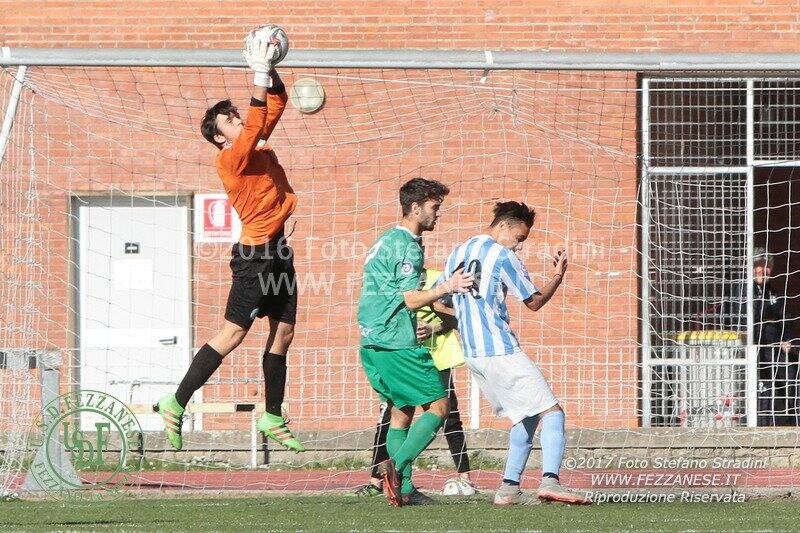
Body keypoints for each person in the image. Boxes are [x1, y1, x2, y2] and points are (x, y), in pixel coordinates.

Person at [154, 32, 304, 452]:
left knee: (284, 332)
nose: (239, 122)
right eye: (230, 121)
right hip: (255, 257)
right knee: (233, 333)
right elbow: (258, 121)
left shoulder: (251, 143)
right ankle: (176, 401)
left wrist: (270, 72)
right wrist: (257, 71)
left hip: (279, 252)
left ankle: (272, 414)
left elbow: (273, 108)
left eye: (237, 117)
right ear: (220, 137)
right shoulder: (230, 157)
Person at [438, 201, 587, 505]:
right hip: (500, 349)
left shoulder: (458, 252)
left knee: (527, 416)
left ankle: (508, 488)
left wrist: (463, 323)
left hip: (474, 354)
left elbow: (440, 303)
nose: (519, 246)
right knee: (553, 413)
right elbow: (533, 302)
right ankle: (551, 481)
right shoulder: (503, 256)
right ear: (505, 225)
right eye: (520, 238)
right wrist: (558, 275)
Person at [357, 178, 474, 507]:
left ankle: (404, 489)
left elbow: (389, 294)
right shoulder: (408, 245)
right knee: (439, 408)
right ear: (415, 207)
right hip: (396, 342)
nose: (438, 214)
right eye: (435, 208)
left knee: (401, 411)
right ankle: (396, 467)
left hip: (371, 341)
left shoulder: (386, 240)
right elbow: (409, 298)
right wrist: (448, 285)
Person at [355, 268, 476, 498]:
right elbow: (407, 304)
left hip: (433, 357)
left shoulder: (431, 278)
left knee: (431, 417)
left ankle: (459, 478)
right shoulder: (392, 280)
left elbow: (454, 319)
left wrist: (433, 326)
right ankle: (395, 472)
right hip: (405, 355)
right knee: (428, 410)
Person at [749, 248, 798, 425]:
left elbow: (786, 319)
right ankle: (761, 423)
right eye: (758, 266)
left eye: (767, 266)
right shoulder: (742, 291)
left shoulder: (774, 293)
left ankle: (794, 421)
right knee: (764, 382)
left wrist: (788, 339)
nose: (762, 270)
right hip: (752, 347)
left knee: (792, 372)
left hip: (774, 347)